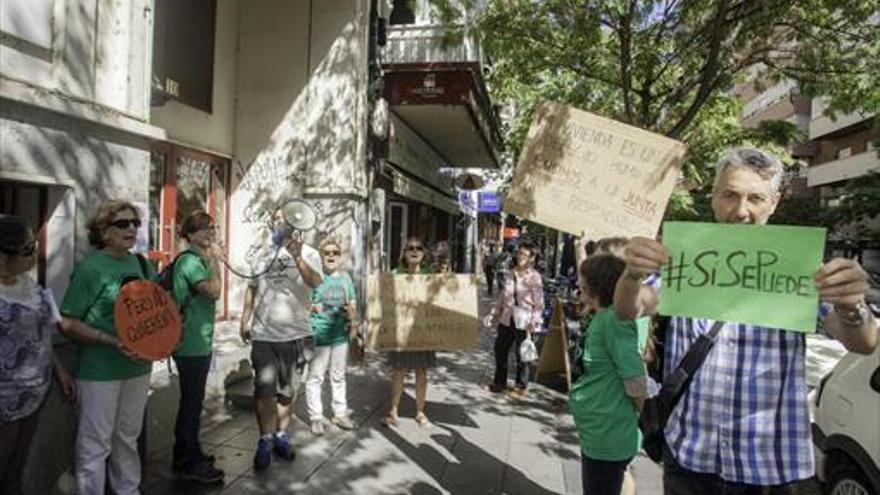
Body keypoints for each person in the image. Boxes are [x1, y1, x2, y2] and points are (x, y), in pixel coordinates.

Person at [615, 147, 878, 493]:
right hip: (690, 456)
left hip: (767, 467)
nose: (741, 210)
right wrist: (632, 275)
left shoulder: (799, 264)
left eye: (756, 198)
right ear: (713, 198)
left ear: (774, 202)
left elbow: (863, 341)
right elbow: (629, 308)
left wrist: (851, 306)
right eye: (730, 195)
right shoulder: (683, 256)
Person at [59, 200, 155, 495]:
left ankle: (128, 491)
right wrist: (111, 341)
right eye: (122, 224)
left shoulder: (141, 263)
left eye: (135, 223)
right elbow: (68, 322)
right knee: (95, 443)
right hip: (100, 371)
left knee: (127, 437)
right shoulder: (90, 269)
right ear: (103, 230)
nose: (131, 229)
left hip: (138, 367)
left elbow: (153, 311)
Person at [239, 210, 322, 471]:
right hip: (264, 334)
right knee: (263, 388)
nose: (281, 224)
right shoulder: (262, 254)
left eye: (286, 219)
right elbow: (252, 288)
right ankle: (264, 438)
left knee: (287, 391)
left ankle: (281, 435)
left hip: (297, 335)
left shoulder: (309, 253)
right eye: (276, 219)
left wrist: (297, 256)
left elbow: (315, 282)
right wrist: (245, 319)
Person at [0, 215, 76, 495]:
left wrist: (59, 370)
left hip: (33, 397)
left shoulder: (28, 283)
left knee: (14, 474)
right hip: (4, 404)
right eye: (28, 249)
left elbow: (41, 333)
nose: (35, 255)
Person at [570, 254, 649, 495]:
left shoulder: (613, 320)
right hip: (601, 430)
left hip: (608, 433)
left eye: (583, 287)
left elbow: (634, 376)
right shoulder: (606, 314)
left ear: (596, 288)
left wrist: (644, 416)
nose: (580, 292)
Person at [169, 211, 225, 484]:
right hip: (189, 343)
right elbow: (214, 292)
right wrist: (215, 258)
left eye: (211, 228)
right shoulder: (191, 262)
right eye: (202, 229)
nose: (209, 233)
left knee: (194, 401)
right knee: (191, 403)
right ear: (189, 234)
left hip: (199, 341)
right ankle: (186, 461)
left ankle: (189, 451)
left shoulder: (199, 260)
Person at [304, 237, 358, 435]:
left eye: (335, 252)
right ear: (321, 256)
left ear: (340, 256)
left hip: (340, 336)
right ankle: (316, 418)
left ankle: (340, 414)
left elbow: (351, 303)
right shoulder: (314, 278)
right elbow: (305, 303)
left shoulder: (345, 278)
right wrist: (314, 307)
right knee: (315, 377)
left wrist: (353, 320)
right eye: (327, 253)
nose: (331, 256)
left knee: (338, 376)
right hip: (320, 335)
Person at [383, 237, 436, 427]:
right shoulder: (395, 274)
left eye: (418, 248)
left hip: (423, 331)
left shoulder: (431, 274)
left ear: (423, 253)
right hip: (401, 331)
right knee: (399, 371)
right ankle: (393, 410)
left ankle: (420, 412)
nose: (414, 251)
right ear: (404, 253)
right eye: (410, 248)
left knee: (421, 372)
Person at [484, 240, 545, 397]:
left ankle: (520, 384)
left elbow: (539, 304)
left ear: (532, 258)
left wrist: (534, 320)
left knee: (522, 353)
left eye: (524, 254)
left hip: (525, 320)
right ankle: (499, 382)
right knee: (500, 349)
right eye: (519, 253)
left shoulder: (534, 277)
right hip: (507, 317)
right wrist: (493, 313)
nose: (520, 257)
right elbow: (503, 297)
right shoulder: (511, 273)